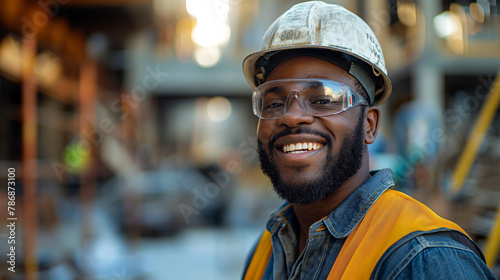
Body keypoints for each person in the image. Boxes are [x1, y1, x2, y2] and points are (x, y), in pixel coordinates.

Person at [240, 1, 497, 279]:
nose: (292, 116)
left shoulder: (426, 258)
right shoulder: (268, 248)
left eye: (324, 99)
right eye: (275, 103)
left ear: (370, 125)